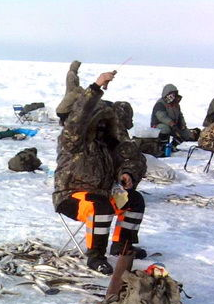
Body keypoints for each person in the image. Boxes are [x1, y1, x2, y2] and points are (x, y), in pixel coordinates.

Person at [53, 71, 149, 274]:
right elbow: (78, 117)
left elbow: (132, 159)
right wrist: (96, 86)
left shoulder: (107, 143)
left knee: (134, 199)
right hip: (71, 196)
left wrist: (128, 174)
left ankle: (121, 245)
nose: (102, 126)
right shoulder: (72, 139)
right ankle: (95, 256)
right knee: (100, 205)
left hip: (103, 193)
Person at [150, 84, 198, 148]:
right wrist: (171, 123)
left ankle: (173, 146)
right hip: (159, 125)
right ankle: (162, 146)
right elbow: (161, 117)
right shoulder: (160, 104)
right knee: (165, 129)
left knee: (186, 134)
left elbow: (180, 115)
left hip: (174, 125)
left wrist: (182, 125)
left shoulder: (176, 104)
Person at [55, 60, 83, 126]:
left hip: (73, 92)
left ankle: (64, 120)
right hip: (72, 92)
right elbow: (72, 85)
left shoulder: (73, 73)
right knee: (69, 105)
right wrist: (79, 90)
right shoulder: (71, 74)